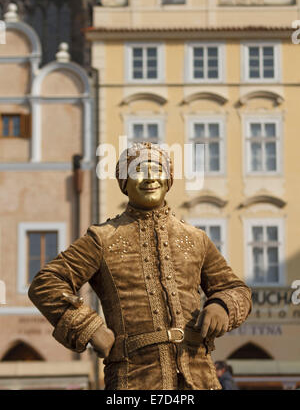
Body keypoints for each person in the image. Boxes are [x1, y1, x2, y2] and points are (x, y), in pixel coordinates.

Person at [28, 142, 252, 390]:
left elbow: (236, 288)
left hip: (199, 380)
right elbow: (46, 284)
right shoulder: (103, 238)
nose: (149, 178)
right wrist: (88, 327)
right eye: (138, 171)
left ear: (167, 179)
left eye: (157, 169)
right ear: (124, 183)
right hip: (132, 381)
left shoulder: (196, 238)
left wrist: (222, 305)